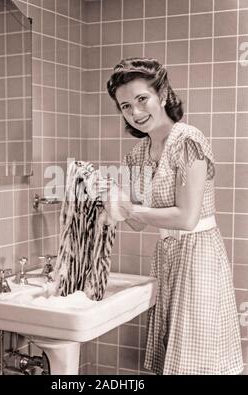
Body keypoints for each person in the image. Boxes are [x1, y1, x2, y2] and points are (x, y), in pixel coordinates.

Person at [103, 57, 244, 375]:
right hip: (166, 256)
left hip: (198, 257)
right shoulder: (136, 154)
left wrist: (128, 208)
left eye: (142, 99)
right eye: (125, 106)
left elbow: (187, 217)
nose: (136, 113)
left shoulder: (188, 142)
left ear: (162, 94)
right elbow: (138, 222)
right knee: (171, 356)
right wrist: (113, 200)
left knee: (196, 359)